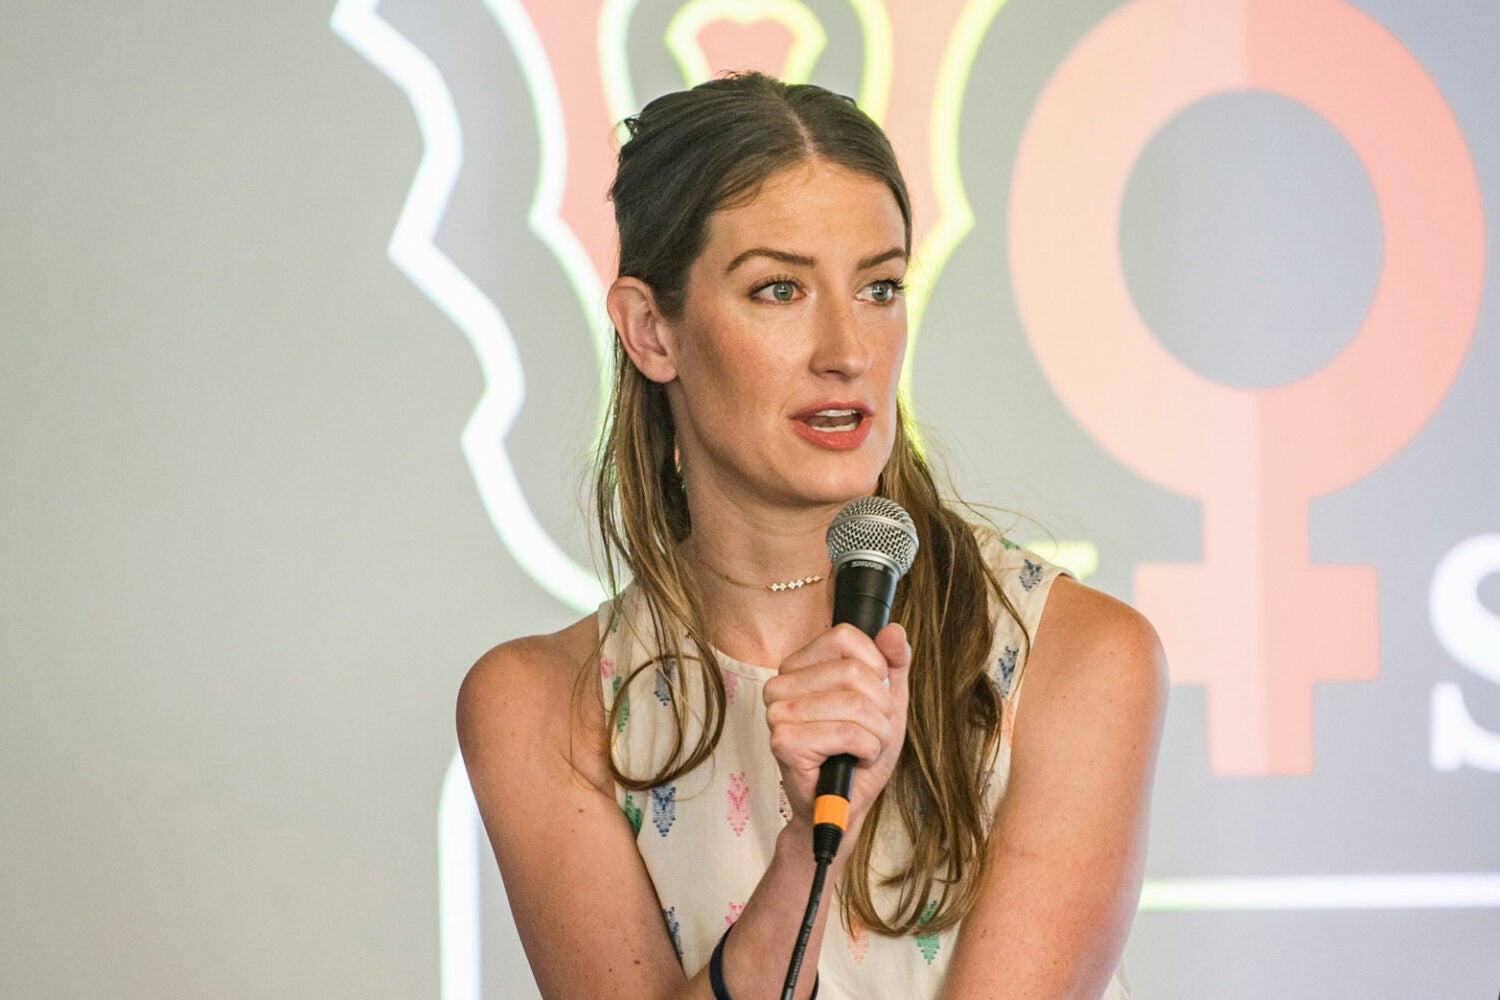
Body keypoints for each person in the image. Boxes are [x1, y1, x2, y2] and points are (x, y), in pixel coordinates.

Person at [457, 72, 1166, 1000]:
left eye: (879, 288)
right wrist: (806, 851)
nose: (848, 349)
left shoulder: (1078, 659)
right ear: (650, 331)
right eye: (780, 289)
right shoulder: (541, 708)